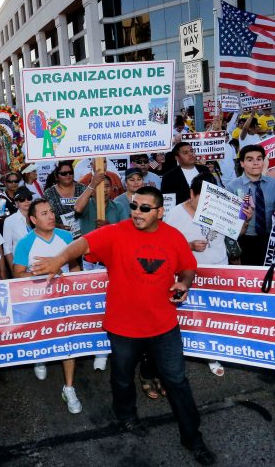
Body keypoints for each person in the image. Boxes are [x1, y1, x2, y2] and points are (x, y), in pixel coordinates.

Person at [30, 187, 216, 465]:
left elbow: (188, 266)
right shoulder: (116, 232)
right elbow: (83, 245)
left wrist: (184, 283)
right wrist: (59, 259)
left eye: (144, 208)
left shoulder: (174, 237)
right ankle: (126, 416)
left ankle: (193, 438)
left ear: (159, 212)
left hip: (164, 326)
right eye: (133, 206)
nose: (136, 212)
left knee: (177, 382)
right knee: (122, 377)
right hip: (123, 327)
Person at [13, 199, 83, 414]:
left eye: (51, 211)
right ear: (33, 219)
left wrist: (72, 280)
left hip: (64, 299)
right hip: (38, 303)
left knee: (67, 341)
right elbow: (17, 274)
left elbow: (76, 268)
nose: (51, 216)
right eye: (44, 213)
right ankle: (40, 357)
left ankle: (69, 387)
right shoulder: (25, 243)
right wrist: (44, 272)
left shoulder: (66, 237)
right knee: (43, 337)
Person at [164, 173, 232, 378]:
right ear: (192, 193)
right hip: (188, 276)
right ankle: (182, 352)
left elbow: (237, 234)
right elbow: (164, 246)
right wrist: (190, 246)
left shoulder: (221, 209)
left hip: (218, 270)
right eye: (202, 199)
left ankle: (212, 355)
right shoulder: (175, 214)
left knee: (213, 316)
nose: (206, 204)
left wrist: (243, 220)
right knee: (187, 316)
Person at [226, 145, 275, 265]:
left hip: (269, 240)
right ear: (242, 163)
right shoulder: (232, 186)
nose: (255, 163)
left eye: (259, 159)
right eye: (250, 160)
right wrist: (233, 252)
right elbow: (228, 221)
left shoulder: (272, 183)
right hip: (244, 240)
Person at [43, 161, 87, 237]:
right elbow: (44, 216)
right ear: (56, 176)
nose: (68, 175)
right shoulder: (49, 193)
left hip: (84, 234)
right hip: (60, 236)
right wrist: (59, 226)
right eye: (64, 173)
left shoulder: (83, 188)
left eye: (70, 172)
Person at [73, 172, 122, 237]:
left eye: (107, 186)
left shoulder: (118, 206)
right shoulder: (86, 205)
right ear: (92, 191)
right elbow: (77, 208)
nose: (104, 190)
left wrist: (109, 227)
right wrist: (93, 184)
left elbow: (125, 231)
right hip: (89, 246)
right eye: (99, 186)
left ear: (111, 189)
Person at [2, 186, 33, 269]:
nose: (27, 201)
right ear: (16, 203)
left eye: (29, 198)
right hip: (21, 266)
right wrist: (14, 270)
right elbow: (7, 248)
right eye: (22, 199)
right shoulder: (9, 221)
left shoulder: (38, 217)